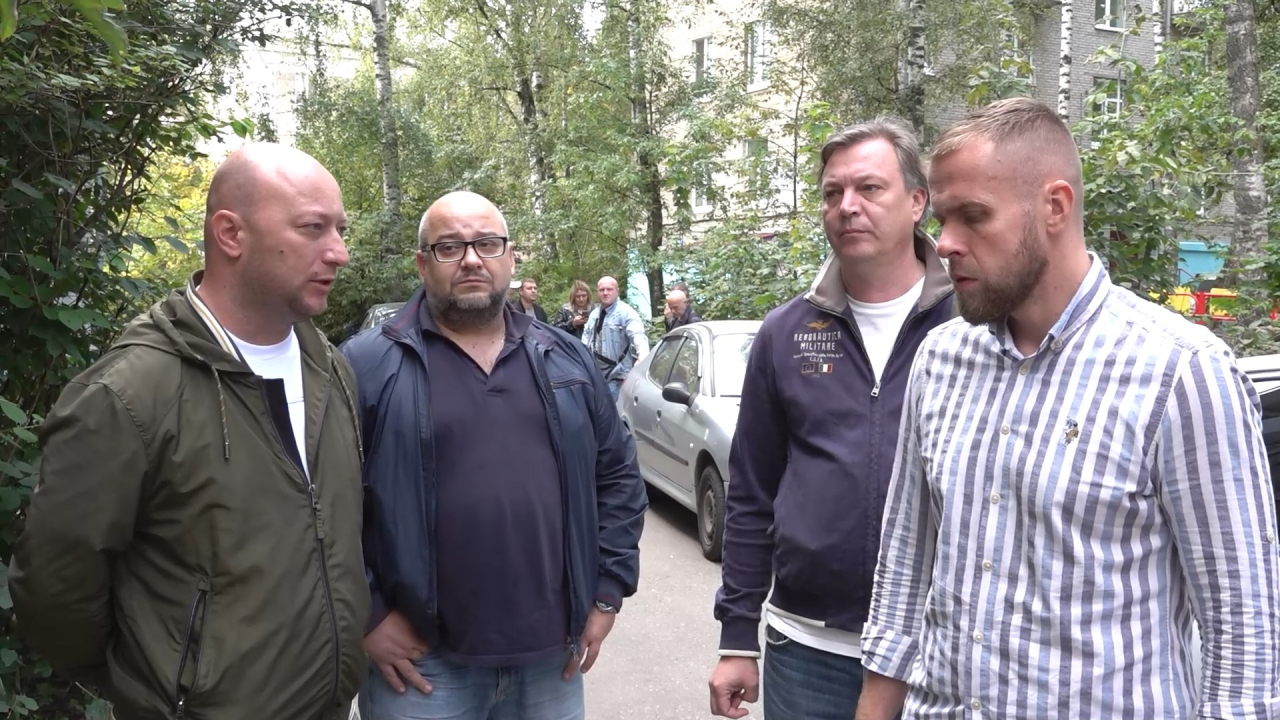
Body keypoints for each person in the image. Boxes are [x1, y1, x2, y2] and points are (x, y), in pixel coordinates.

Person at [857, 98, 1280, 719]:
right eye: (943, 219)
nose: (945, 244)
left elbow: (1243, 626)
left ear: (1055, 206)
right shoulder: (939, 359)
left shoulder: (1181, 373)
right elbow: (902, 571)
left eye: (974, 216)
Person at [8, 143, 369, 720]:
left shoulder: (329, 367)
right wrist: (157, 687)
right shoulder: (129, 394)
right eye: (313, 228)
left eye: (340, 230)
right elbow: (56, 590)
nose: (339, 253)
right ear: (230, 233)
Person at [341, 191, 648, 720]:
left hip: (551, 659)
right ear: (422, 263)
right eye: (449, 247)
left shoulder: (567, 358)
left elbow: (618, 477)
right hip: (422, 664)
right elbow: (326, 505)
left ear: (510, 257)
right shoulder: (366, 365)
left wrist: (607, 592)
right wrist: (367, 614)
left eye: (487, 243)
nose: (471, 260)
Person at [708, 118, 956, 720]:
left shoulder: (969, 323)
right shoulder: (785, 333)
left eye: (869, 188)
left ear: (917, 202)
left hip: (940, 648)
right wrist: (737, 635)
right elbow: (751, 494)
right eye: (832, 193)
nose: (847, 206)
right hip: (808, 649)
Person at [581, 276, 649, 400]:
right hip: (596, 374)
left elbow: (638, 335)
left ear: (617, 291)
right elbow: (585, 340)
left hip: (617, 376)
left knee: (611, 408)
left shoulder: (626, 312)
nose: (605, 293)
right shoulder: (594, 314)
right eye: (602, 290)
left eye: (609, 289)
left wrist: (643, 356)